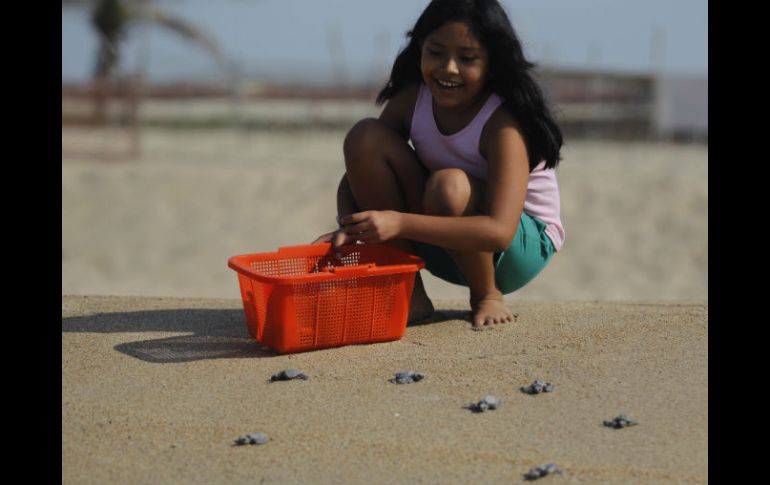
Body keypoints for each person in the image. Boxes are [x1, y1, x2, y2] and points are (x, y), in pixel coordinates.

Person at [313, 0, 565, 328]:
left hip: (516, 249)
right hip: (442, 234)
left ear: (491, 64)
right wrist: (350, 226)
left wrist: (400, 223)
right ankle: (407, 293)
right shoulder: (411, 99)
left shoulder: (503, 123)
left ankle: (486, 295)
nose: (449, 68)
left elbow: (500, 232)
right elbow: (362, 169)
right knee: (365, 136)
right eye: (436, 52)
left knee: (448, 186)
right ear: (420, 49)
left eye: (467, 58)